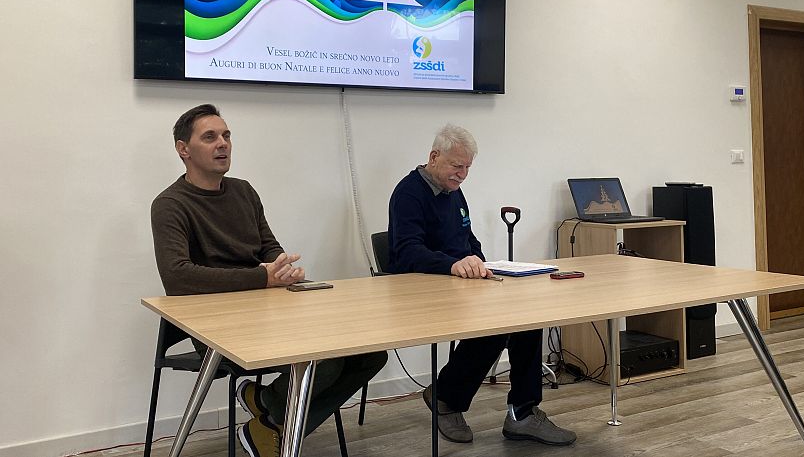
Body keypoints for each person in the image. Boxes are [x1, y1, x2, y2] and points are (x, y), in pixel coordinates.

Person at [151, 104, 387, 457]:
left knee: (370, 354)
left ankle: (267, 416)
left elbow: (268, 247)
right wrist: (262, 277)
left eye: (226, 135)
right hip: (214, 325)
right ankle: (271, 414)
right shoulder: (170, 204)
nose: (223, 144)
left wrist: (282, 267)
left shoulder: (244, 191)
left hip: (267, 312)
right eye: (210, 137)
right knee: (326, 361)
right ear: (183, 149)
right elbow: (178, 278)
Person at [386, 123, 576, 447]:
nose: (462, 175)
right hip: (420, 289)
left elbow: (468, 239)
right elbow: (406, 252)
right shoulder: (408, 193)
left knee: (527, 315)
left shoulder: (453, 191)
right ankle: (446, 398)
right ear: (434, 157)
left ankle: (523, 412)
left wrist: (483, 264)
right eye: (456, 166)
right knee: (497, 325)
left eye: (467, 168)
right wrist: (452, 264)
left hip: (460, 284)